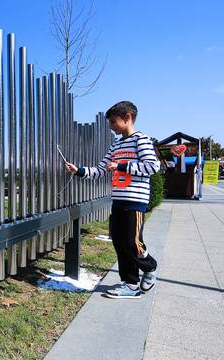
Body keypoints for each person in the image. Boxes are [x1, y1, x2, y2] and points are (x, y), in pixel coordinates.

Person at [64, 101, 160, 299]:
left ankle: (150, 267)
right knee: (119, 241)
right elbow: (100, 170)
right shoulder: (116, 145)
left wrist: (122, 166)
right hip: (118, 201)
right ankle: (131, 284)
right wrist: (79, 170)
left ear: (127, 118)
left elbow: (152, 167)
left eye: (113, 122)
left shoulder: (140, 140)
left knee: (132, 242)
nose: (111, 126)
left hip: (135, 201)